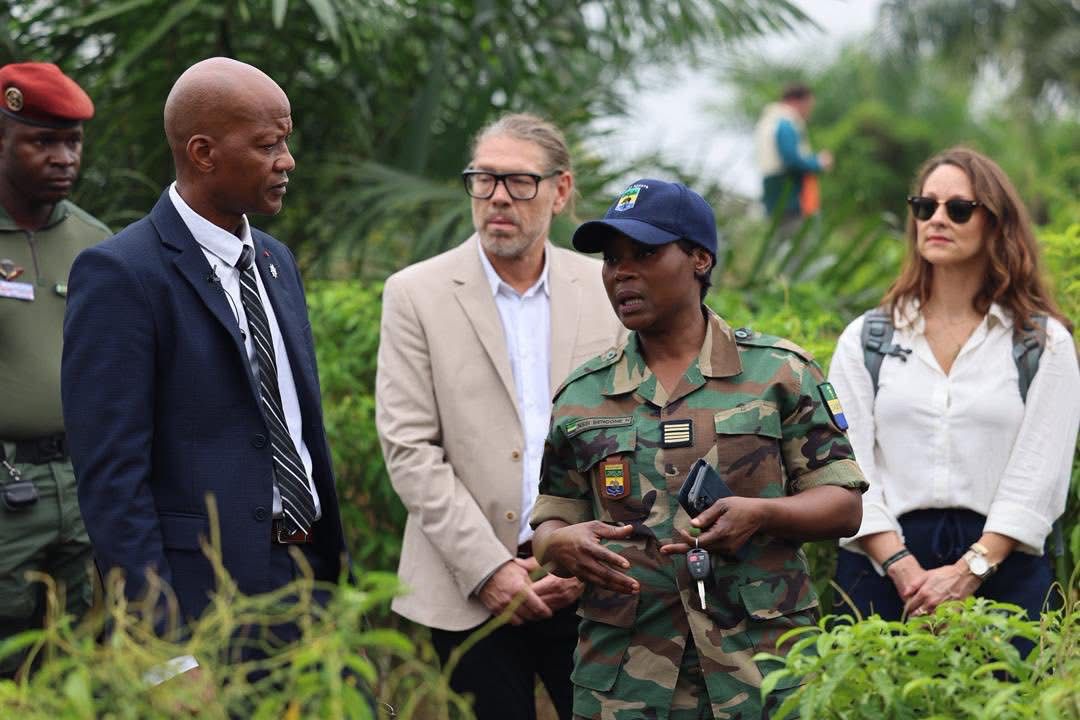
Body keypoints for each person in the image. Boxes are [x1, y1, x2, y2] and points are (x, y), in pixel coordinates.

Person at [530, 178, 867, 719]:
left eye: (644, 253)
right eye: (612, 259)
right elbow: (550, 520)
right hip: (625, 682)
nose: (622, 273)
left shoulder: (778, 372)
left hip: (762, 670)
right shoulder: (582, 396)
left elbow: (844, 506)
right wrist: (559, 545)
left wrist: (761, 514)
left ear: (700, 259)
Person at [61, 58, 348, 677]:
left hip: (305, 579)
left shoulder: (275, 261)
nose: (287, 161)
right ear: (203, 153)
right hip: (204, 599)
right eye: (269, 144)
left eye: (287, 142)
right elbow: (113, 482)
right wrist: (163, 652)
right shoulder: (122, 274)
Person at [375, 113, 625, 720]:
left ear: (560, 191)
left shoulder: (605, 286)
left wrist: (579, 554)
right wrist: (488, 569)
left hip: (589, 579)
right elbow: (409, 446)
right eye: (483, 181)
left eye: (519, 183)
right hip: (467, 585)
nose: (497, 200)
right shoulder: (416, 293)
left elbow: (634, 430)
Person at [829, 146, 1079, 622]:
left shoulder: (1043, 343)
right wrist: (902, 567)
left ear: (995, 224)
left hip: (1004, 571)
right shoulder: (866, 339)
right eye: (925, 207)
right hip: (880, 572)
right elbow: (846, 466)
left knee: (1003, 697)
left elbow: (1039, 478)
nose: (937, 219)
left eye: (958, 209)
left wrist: (969, 569)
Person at [0, 62, 109, 677]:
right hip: (5, 484)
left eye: (72, 141)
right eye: (42, 141)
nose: (64, 157)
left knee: (79, 658)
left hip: (82, 482)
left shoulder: (98, 247)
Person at [753, 83, 833, 221]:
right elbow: (792, 160)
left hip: (774, 196)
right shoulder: (785, 124)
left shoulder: (769, 121)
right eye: (808, 105)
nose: (809, 111)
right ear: (796, 102)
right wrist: (819, 162)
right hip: (789, 197)